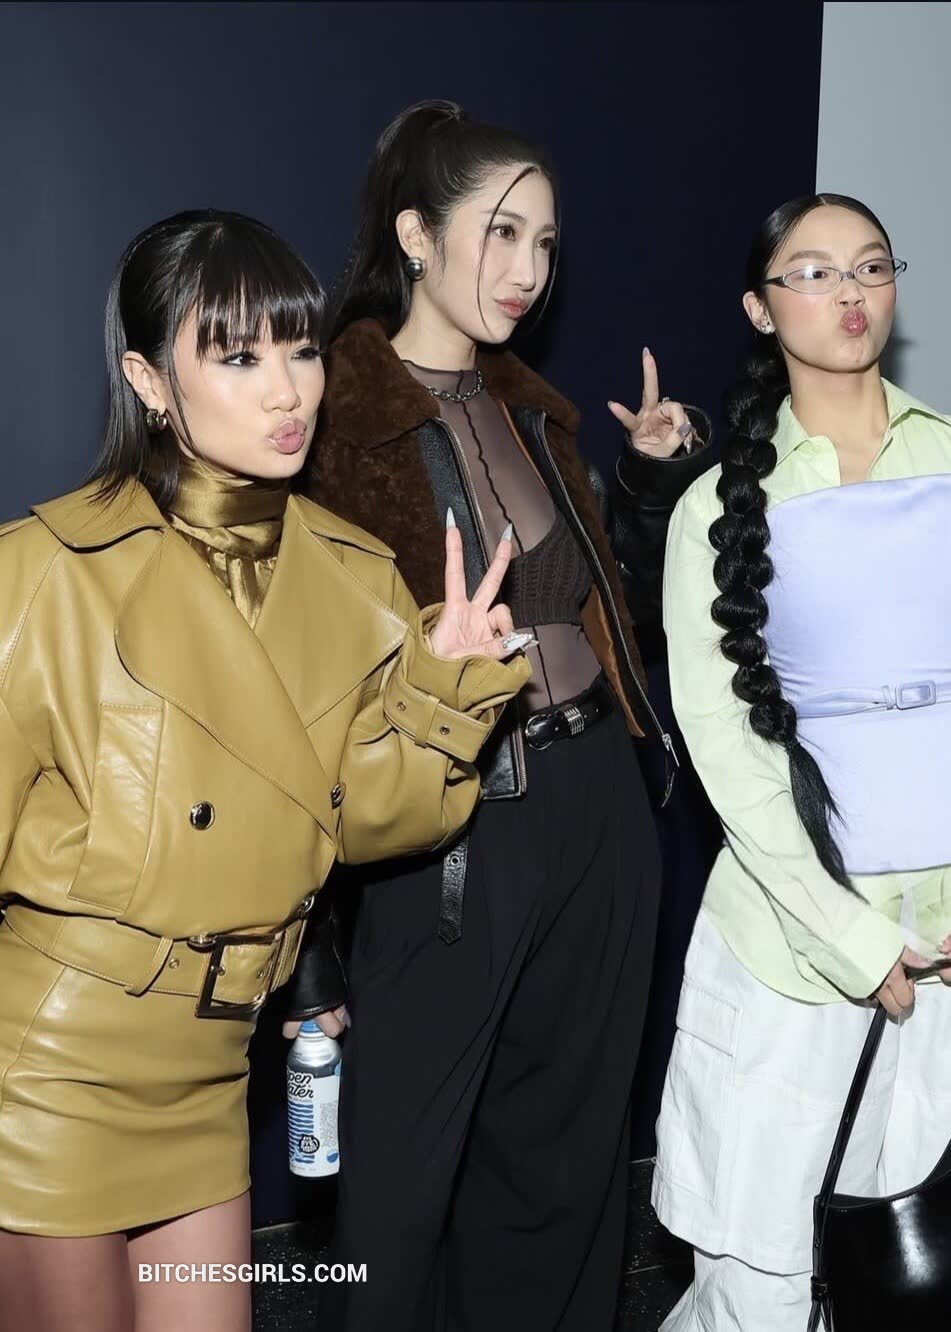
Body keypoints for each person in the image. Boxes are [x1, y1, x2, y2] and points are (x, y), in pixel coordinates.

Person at [0, 208, 530, 1332]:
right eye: (237, 358)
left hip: (212, 1074)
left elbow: (374, 822)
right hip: (51, 1065)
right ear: (149, 380)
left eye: (300, 350)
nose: (288, 391)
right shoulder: (44, 573)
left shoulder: (355, 576)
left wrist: (443, 689)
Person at [283, 100, 713, 1332]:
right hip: (452, 834)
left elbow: (609, 612)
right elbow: (294, 700)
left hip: (597, 807)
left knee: (568, 1158)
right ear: (416, 235)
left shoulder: (535, 412)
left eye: (547, 243)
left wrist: (646, 490)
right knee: (402, 1186)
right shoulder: (332, 425)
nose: (529, 269)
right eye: (503, 232)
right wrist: (307, 948)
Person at [654, 193, 951, 1331]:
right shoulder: (719, 509)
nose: (850, 293)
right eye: (813, 272)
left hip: (941, 951)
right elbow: (728, 758)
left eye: (870, 266)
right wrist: (853, 939)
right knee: (763, 1284)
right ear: (759, 307)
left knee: (907, 1276)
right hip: (791, 950)